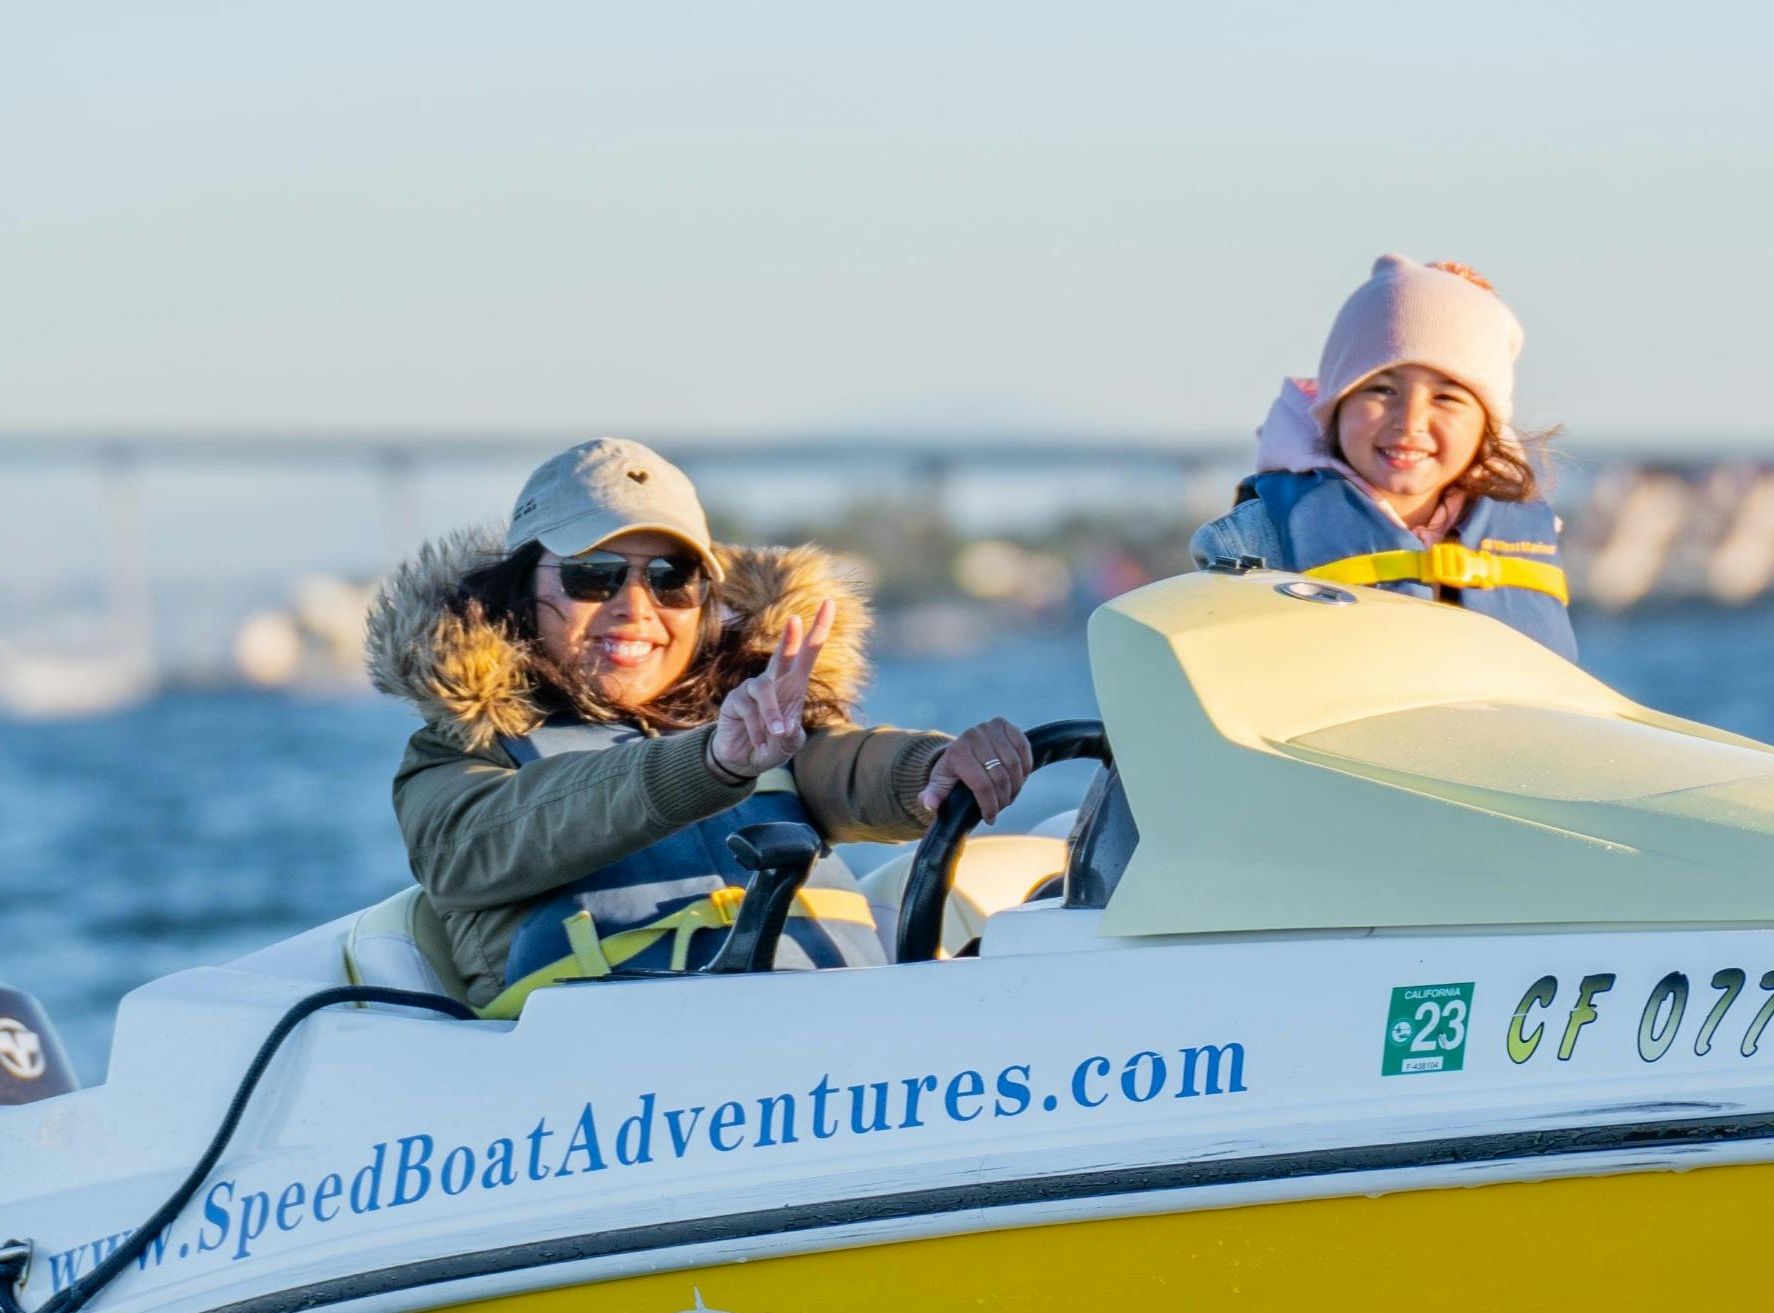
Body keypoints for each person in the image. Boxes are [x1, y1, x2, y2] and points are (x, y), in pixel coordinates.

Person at [369, 438, 1033, 1013]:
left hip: (839, 1056)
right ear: (517, 590)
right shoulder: (458, 755)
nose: (636, 607)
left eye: (671, 578)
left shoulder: (766, 725)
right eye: (593, 576)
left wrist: (935, 768)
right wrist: (711, 765)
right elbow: (477, 846)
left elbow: (846, 766)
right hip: (614, 1101)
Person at [1194, 254, 1575, 655]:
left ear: (1487, 426)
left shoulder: (1526, 533)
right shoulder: (1260, 534)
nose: (1410, 422)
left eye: (1446, 397)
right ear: (1335, 405)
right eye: (1381, 390)